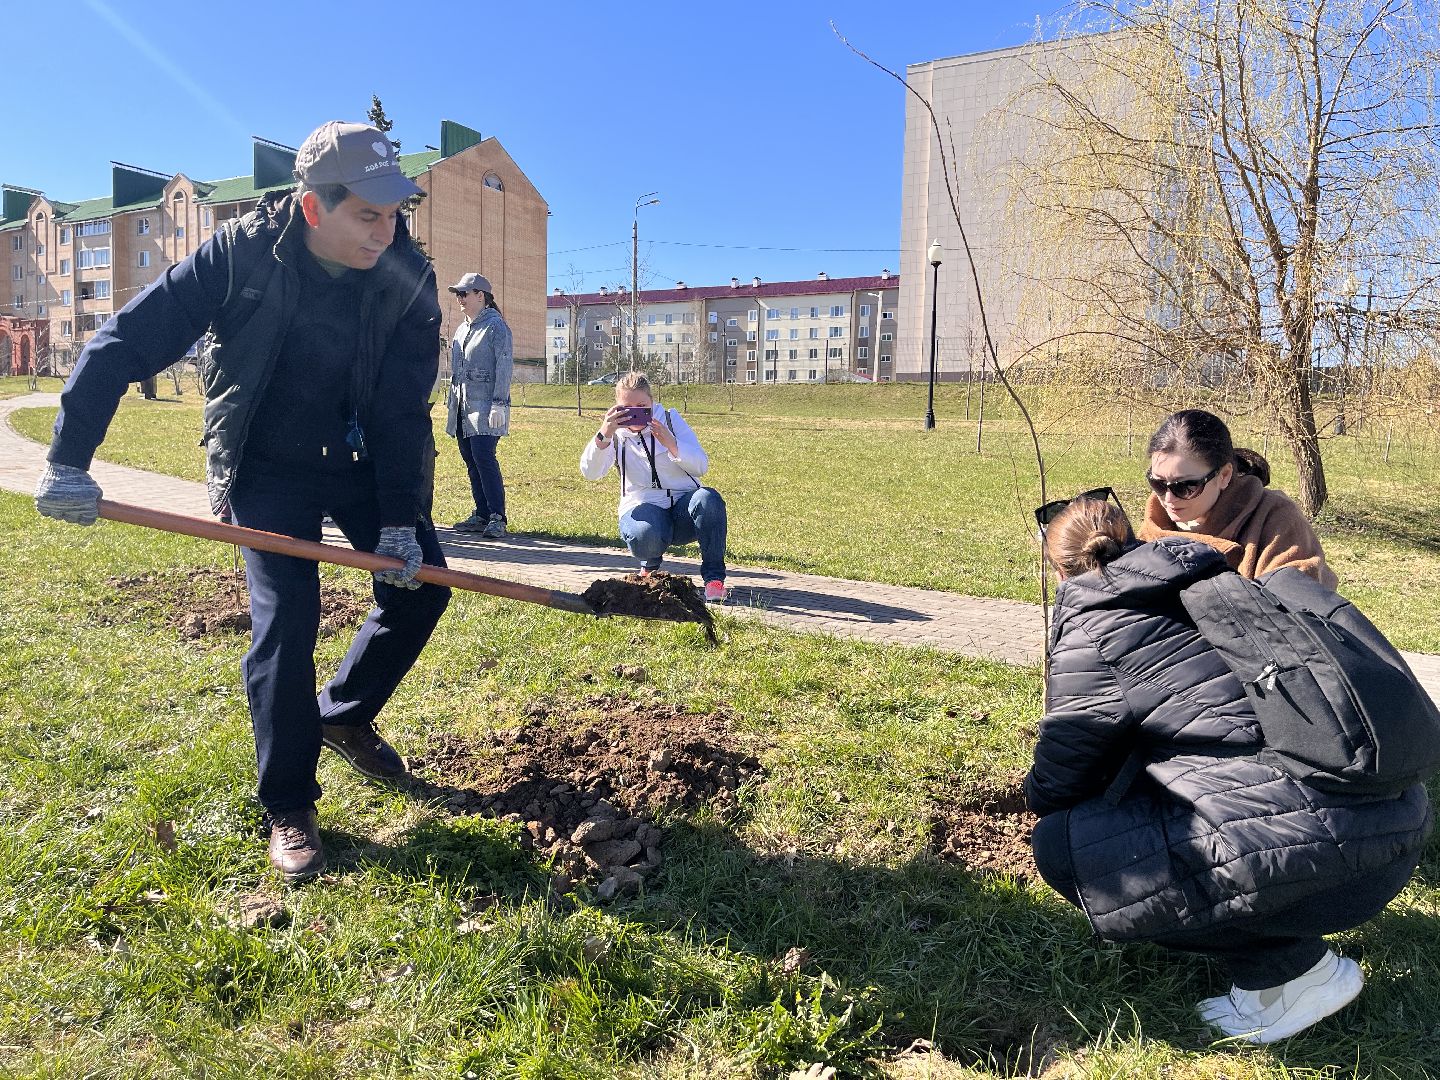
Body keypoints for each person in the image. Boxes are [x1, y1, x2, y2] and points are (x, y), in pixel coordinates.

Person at [33, 120, 451, 883]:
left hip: (361, 456)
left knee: (422, 589)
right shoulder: (240, 254)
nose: (385, 231)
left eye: (394, 212)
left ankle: (344, 715)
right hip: (268, 463)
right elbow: (124, 342)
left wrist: (397, 519)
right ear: (314, 204)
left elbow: (400, 408)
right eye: (368, 213)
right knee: (287, 617)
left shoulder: (409, 275)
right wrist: (67, 459)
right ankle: (289, 803)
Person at [1026, 493, 1430, 1044]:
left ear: (1060, 567)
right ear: (1131, 536)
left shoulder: (1093, 629)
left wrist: (1038, 801)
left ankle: (1288, 980)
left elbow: (1068, 761)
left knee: (1065, 848)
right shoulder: (1216, 579)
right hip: (1392, 824)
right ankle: (1285, 953)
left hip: (1330, 859)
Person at [1139, 408, 1336, 587]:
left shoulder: (1277, 519)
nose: (1169, 498)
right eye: (1157, 483)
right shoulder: (1155, 522)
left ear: (1224, 476)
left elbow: (1297, 607)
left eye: (1186, 486)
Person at [579, 371, 729, 603]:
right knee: (644, 534)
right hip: (644, 508)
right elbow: (590, 473)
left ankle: (714, 580)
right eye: (627, 408)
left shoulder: (669, 420)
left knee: (708, 499)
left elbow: (701, 465)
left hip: (683, 510)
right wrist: (604, 433)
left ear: (652, 402)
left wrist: (671, 443)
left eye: (642, 406)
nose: (636, 413)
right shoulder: (615, 434)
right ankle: (649, 568)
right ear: (616, 407)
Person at [445, 272, 512, 538]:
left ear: (480, 295)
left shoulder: (496, 327)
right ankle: (482, 514)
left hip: (485, 407)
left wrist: (499, 404)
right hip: (463, 408)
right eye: (458, 294)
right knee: (471, 460)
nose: (459, 299)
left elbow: (504, 366)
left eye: (464, 293)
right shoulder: (463, 328)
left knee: (484, 458)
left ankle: (498, 516)